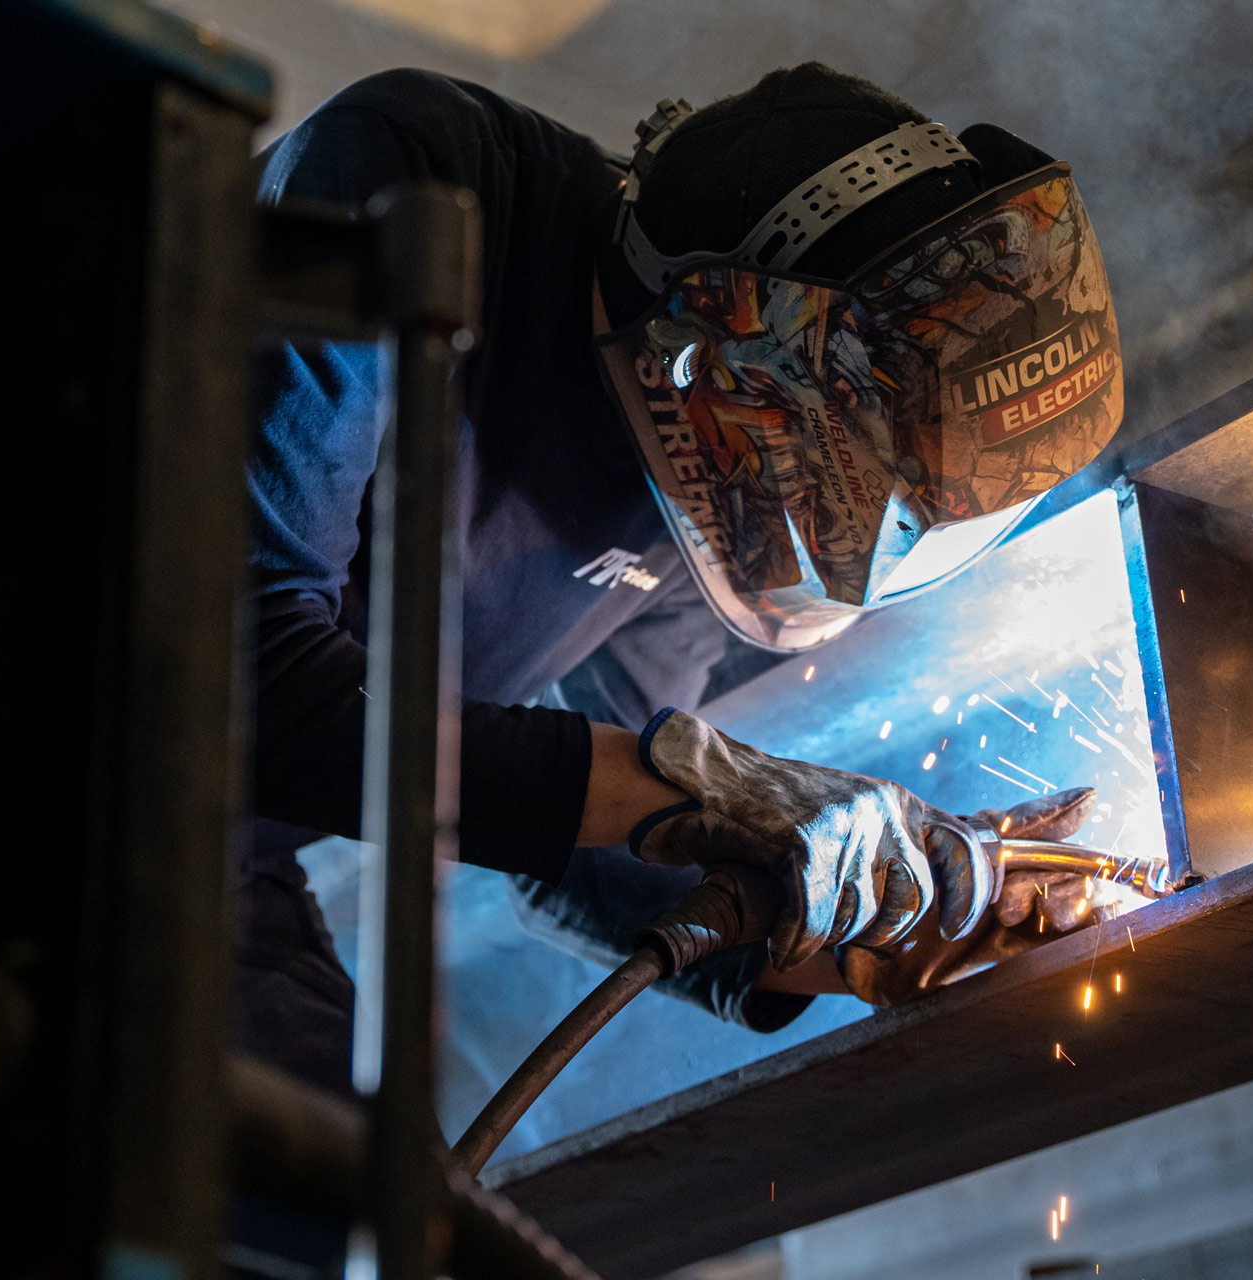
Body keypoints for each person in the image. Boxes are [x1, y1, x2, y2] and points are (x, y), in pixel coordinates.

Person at [236, 61, 1131, 1101]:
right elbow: (230, 674)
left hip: (215, 875)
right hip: (36, 741)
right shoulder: (420, 179)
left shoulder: (706, 502)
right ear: (725, 359)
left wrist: (857, 923)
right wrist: (708, 780)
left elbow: (585, 826)